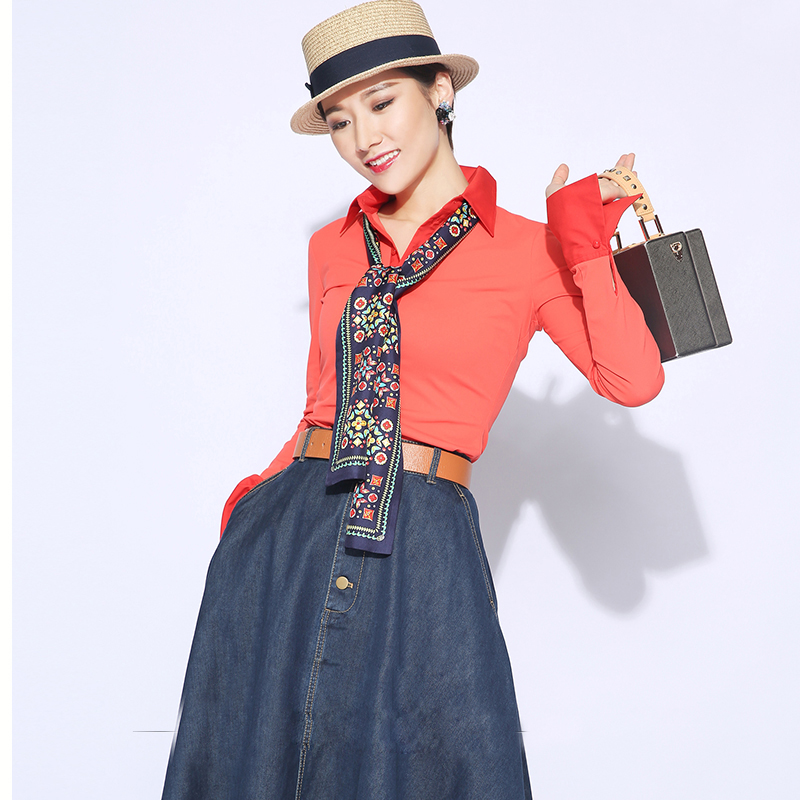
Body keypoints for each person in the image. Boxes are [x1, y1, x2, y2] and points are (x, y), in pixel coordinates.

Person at [161, 1, 664, 798]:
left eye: (381, 101)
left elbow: (632, 380)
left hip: (424, 539)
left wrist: (581, 242)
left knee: (438, 761)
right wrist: (255, 500)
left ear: (440, 90)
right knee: (254, 765)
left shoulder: (527, 249)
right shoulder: (330, 247)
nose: (364, 138)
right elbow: (320, 403)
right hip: (289, 535)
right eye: (339, 121)